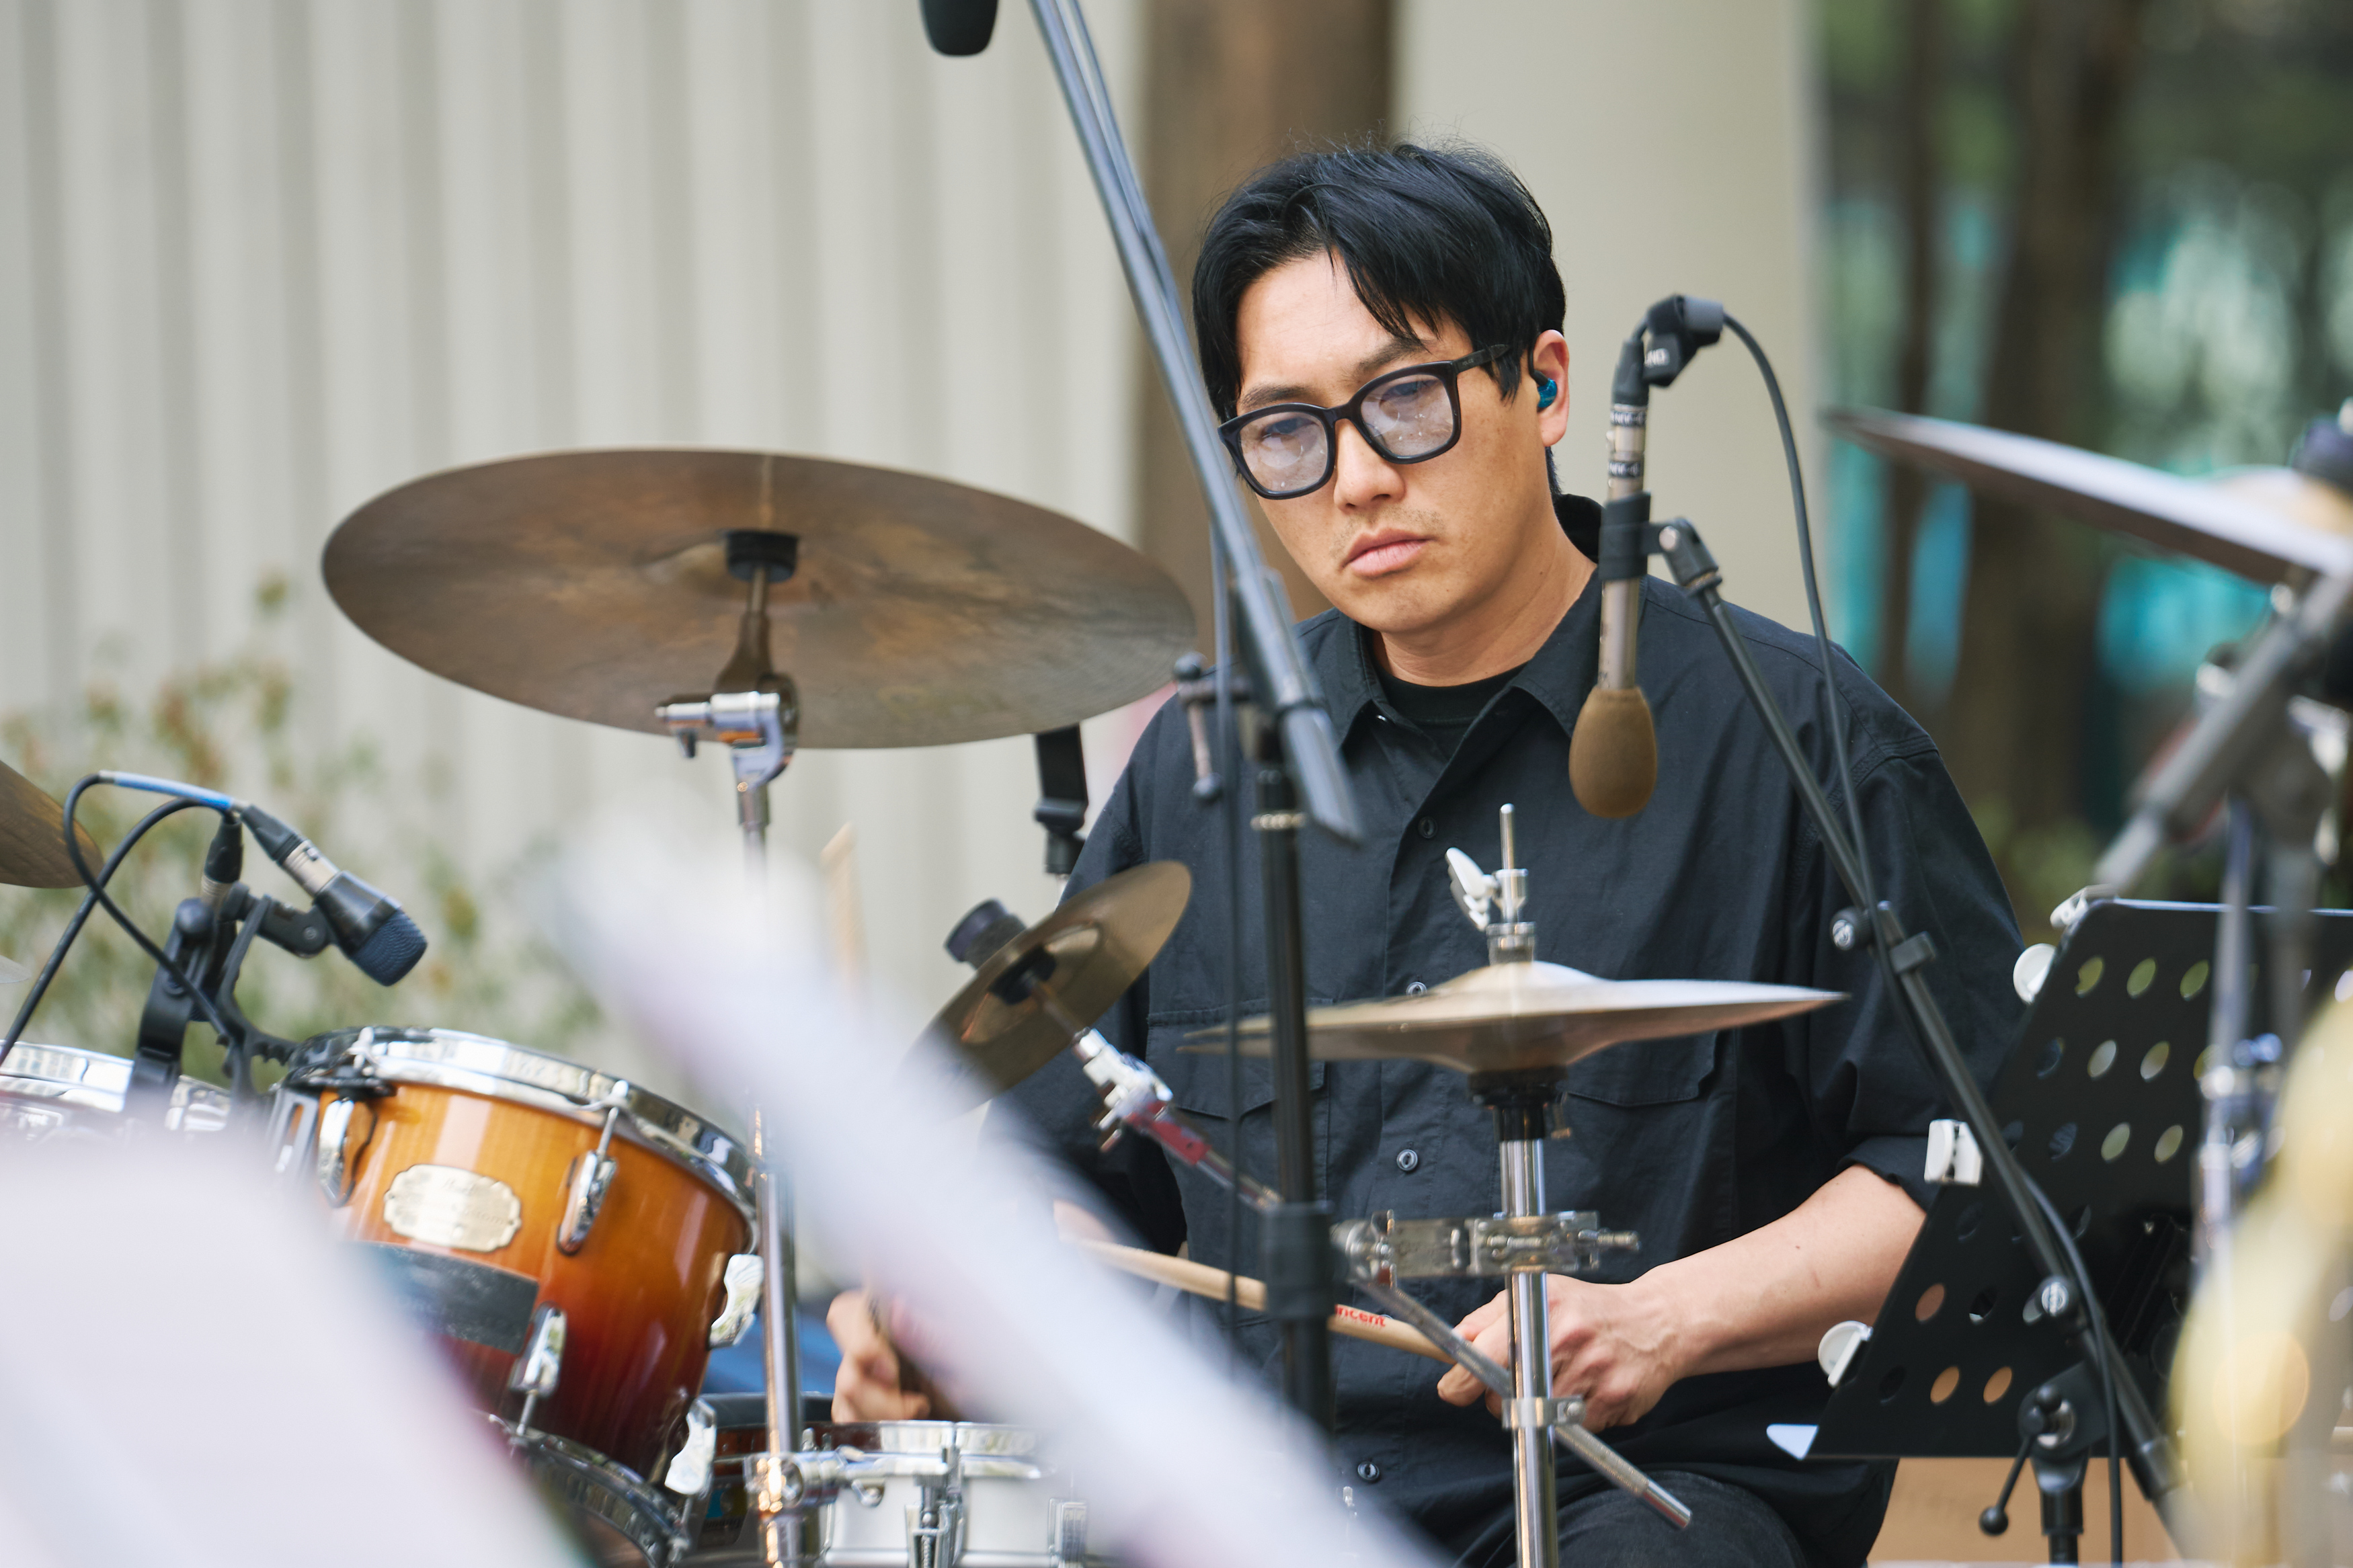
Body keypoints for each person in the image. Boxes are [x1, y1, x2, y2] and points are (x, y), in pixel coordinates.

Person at [830, 142, 2021, 1567]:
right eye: (1287, 432)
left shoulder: (1800, 741)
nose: (1354, 480)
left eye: (1404, 400)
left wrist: (1668, 1316)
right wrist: (949, 1317)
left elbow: (1973, 1165)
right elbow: (1054, 1175)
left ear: (1546, 384)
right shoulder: (1206, 767)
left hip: (1638, 1497)